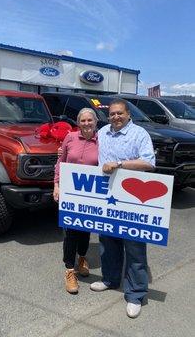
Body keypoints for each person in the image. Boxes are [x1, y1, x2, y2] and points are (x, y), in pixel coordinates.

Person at [90, 98, 155, 318]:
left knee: (135, 246)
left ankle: (136, 294)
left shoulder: (139, 134)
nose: (116, 117)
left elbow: (149, 162)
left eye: (120, 113)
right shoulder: (104, 132)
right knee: (107, 241)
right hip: (107, 195)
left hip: (133, 198)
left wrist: (119, 164)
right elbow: (87, 142)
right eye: (112, 114)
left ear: (129, 114)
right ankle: (109, 279)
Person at [53, 108, 99, 294]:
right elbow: (60, 162)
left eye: (90, 120)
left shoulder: (102, 141)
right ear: (78, 123)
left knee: (85, 229)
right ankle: (70, 270)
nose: (87, 123)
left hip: (89, 194)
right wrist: (56, 184)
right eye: (83, 120)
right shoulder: (70, 137)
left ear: (96, 122)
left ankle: (82, 257)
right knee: (71, 231)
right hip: (70, 192)